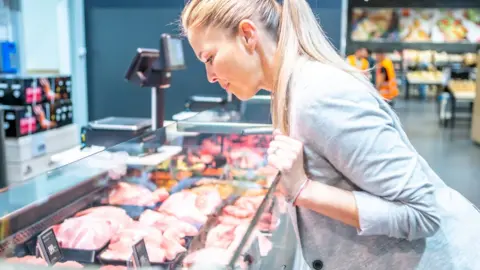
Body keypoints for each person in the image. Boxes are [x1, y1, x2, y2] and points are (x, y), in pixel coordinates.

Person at [181, 0, 480, 269]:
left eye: (209, 58)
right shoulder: (292, 90)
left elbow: (422, 213)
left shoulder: (320, 95)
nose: (210, 76)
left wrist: (304, 190)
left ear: (248, 35)